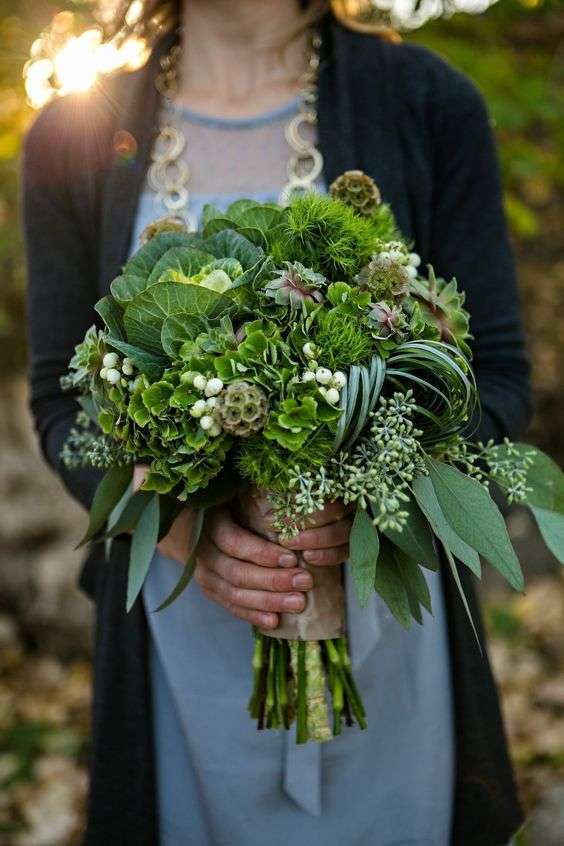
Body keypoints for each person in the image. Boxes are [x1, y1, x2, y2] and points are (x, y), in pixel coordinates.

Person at [23, 1, 531, 844]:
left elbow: (502, 379)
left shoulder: (431, 102)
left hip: (387, 624)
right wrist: (179, 525)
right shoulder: (73, 135)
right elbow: (60, 400)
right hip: (176, 638)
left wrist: (371, 491)